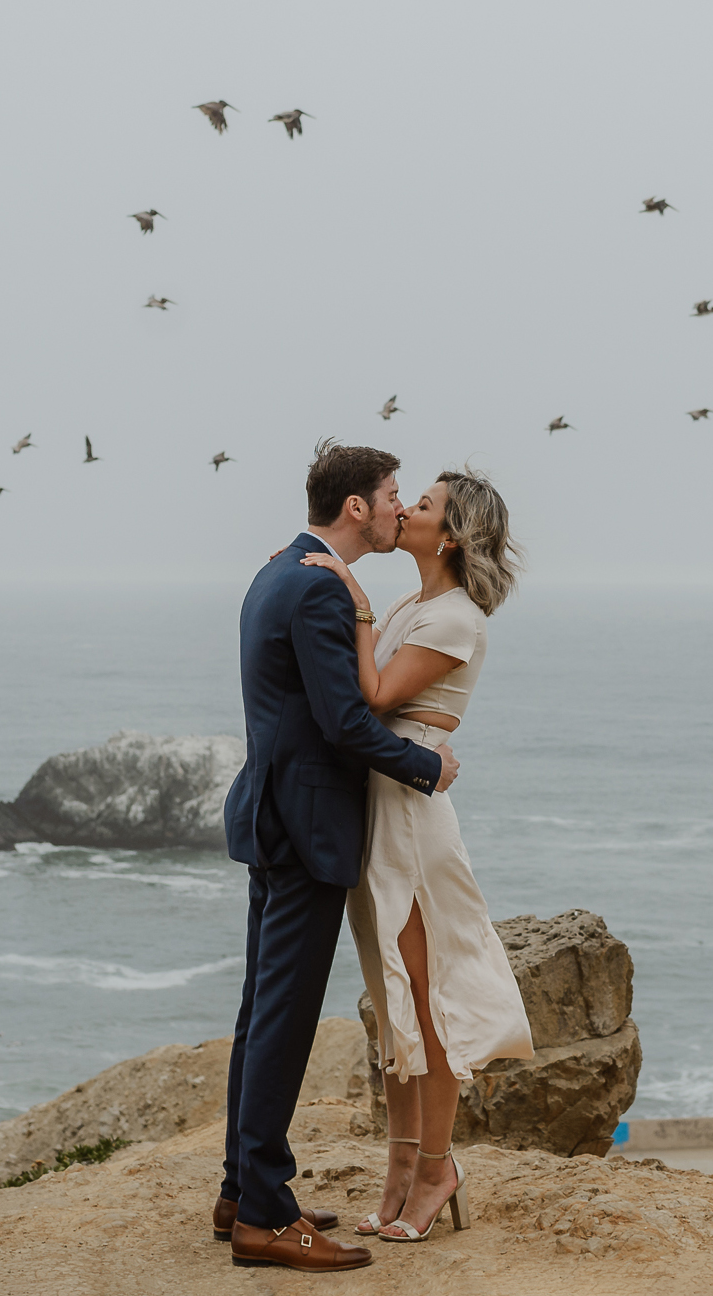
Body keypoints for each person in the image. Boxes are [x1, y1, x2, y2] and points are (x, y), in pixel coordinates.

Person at [217, 442, 460, 1273]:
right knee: (280, 1019)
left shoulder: (277, 569)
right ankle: (266, 1214)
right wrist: (429, 767)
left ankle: (237, 1189)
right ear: (356, 505)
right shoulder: (319, 588)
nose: (399, 507)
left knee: (260, 1010)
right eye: (393, 494)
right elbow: (344, 724)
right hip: (308, 825)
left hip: (269, 816)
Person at [300, 467, 532, 1246]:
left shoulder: (456, 617)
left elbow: (373, 694)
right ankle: (402, 1165)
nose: (407, 509)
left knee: (425, 998)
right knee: (393, 998)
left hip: (410, 816)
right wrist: (368, 603)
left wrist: (352, 598)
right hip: (384, 803)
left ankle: (437, 1167)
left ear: (453, 535)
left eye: (423, 505)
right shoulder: (415, 603)